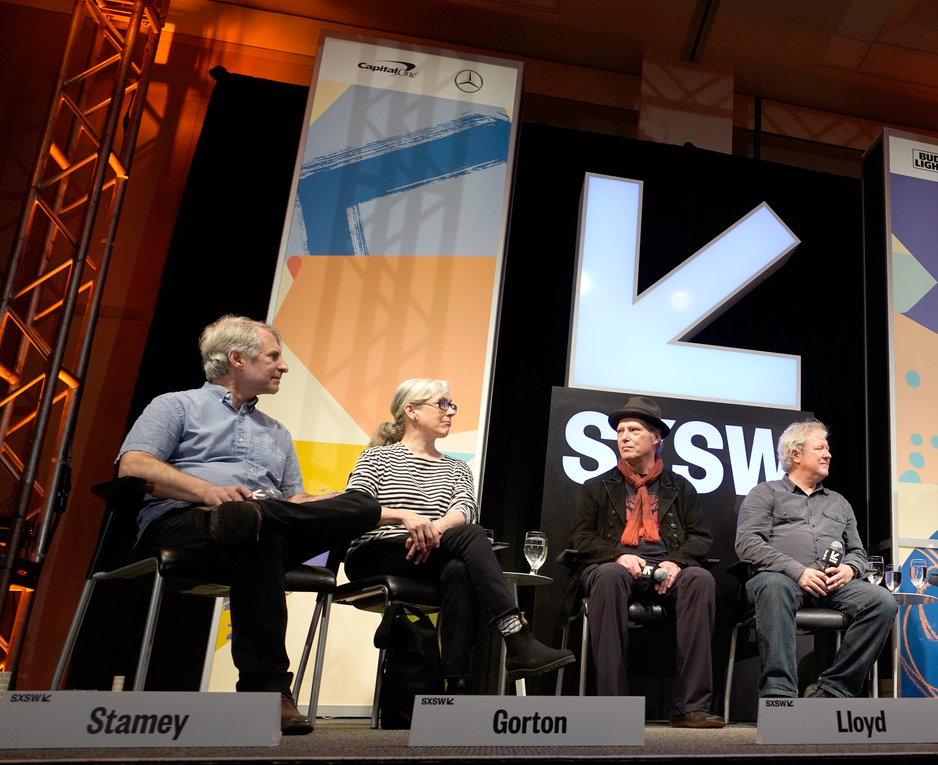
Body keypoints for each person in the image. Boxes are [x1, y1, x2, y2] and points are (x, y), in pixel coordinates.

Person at [117, 315, 382, 735]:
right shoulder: (176, 405)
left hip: (260, 525)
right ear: (237, 358)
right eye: (274, 356)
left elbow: (293, 502)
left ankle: (254, 516)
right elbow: (133, 466)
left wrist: (330, 503)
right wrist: (208, 492)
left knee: (362, 505)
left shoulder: (277, 432)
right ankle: (268, 691)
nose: (284, 366)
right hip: (186, 523)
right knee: (259, 533)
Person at [343, 379, 574, 693]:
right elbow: (355, 508)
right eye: (442, 404)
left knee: (457, 569)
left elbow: (465, 508)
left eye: (452, 405)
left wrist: (433, 529)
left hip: (431, 553)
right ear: (411, 411)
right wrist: (406, 517)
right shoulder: (377, 458)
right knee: (472, 536)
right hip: (376, 553)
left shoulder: (457, 468)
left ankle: (455, 686)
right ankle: (516, 637)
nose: (450, 412)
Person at [567, 396, 723, 728]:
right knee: (609, 575)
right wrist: (618, 555)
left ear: (656, 437)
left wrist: (677, 562)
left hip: (665, 569)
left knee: (701, 580)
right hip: (616, 568)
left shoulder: (680, 487)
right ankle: (613, 708)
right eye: (620, 431)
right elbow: (580, 537)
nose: (623, 437)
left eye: (633, 430)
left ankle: (690, 707)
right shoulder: (598, 486)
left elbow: (701, 537)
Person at [736, 420, 897, 699]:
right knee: (774, 585)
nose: (828, 454)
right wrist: (797, 572)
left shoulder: (839, 502)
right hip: (782, 581)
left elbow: (858, 552)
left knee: (882, 601)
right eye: (820, 448)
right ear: (795, 454)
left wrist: (850, 569)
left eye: (828, 449)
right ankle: (780, 693)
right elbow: (747, 543)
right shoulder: (765, 493)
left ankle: (834, 690)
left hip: (833, 586)